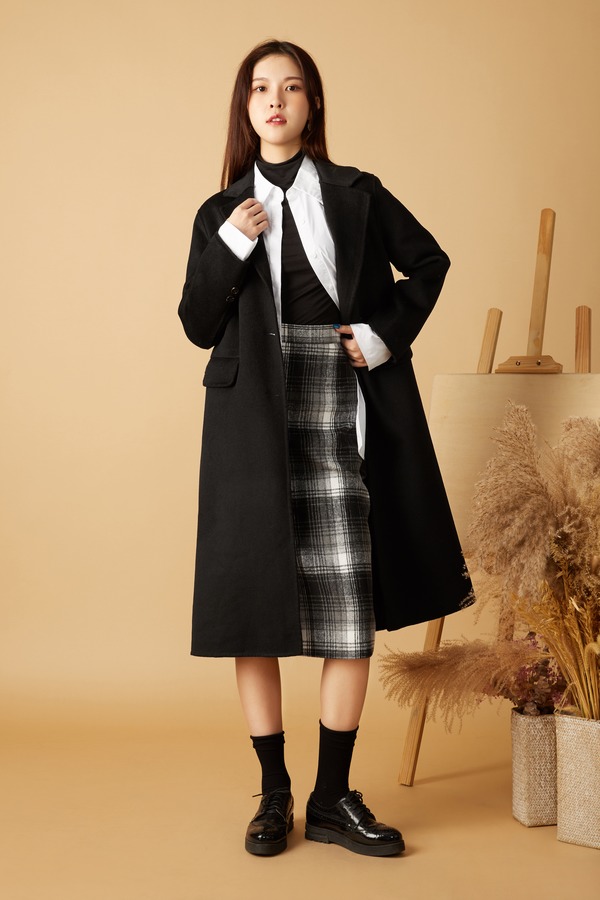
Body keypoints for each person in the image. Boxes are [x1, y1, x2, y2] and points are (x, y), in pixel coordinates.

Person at [178, 39, 473, 858]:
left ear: (311, 105)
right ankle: (274, 793)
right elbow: (197, 323)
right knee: (254, 604)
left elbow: (429, 263)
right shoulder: (219, 211)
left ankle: (332, 796)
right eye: (260, 89)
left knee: (348, 601)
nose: (275, 100)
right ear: (246, 108)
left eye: (291, 87)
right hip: (250, 415)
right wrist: (231, 244)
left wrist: (382, 336)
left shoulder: (357, 192)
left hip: (340, 395)